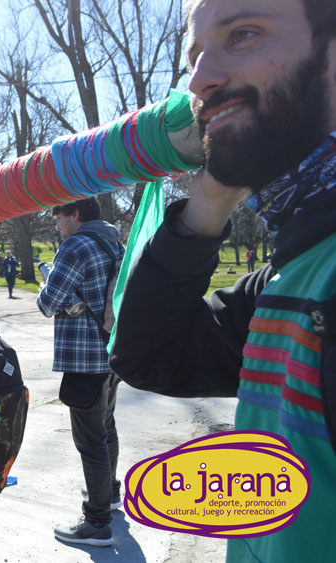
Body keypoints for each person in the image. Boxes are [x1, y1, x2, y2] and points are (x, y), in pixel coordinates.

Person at [110, 0, 336, 561]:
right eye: (196, 55)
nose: (199, 81)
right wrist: (205, 205)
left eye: (244, 34)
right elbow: (149, 355)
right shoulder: (295, 269)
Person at [36, 197, 123, 547]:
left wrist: (48, 281)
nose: (56, 223)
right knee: (106, 426)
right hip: (113, 350)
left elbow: (47, 304)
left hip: (83, 357)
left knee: (90, 440)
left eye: (58, 214)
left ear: (75, 214)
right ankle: (111, 494)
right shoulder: (114, 242)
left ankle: (97, 522)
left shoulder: (75, 245)